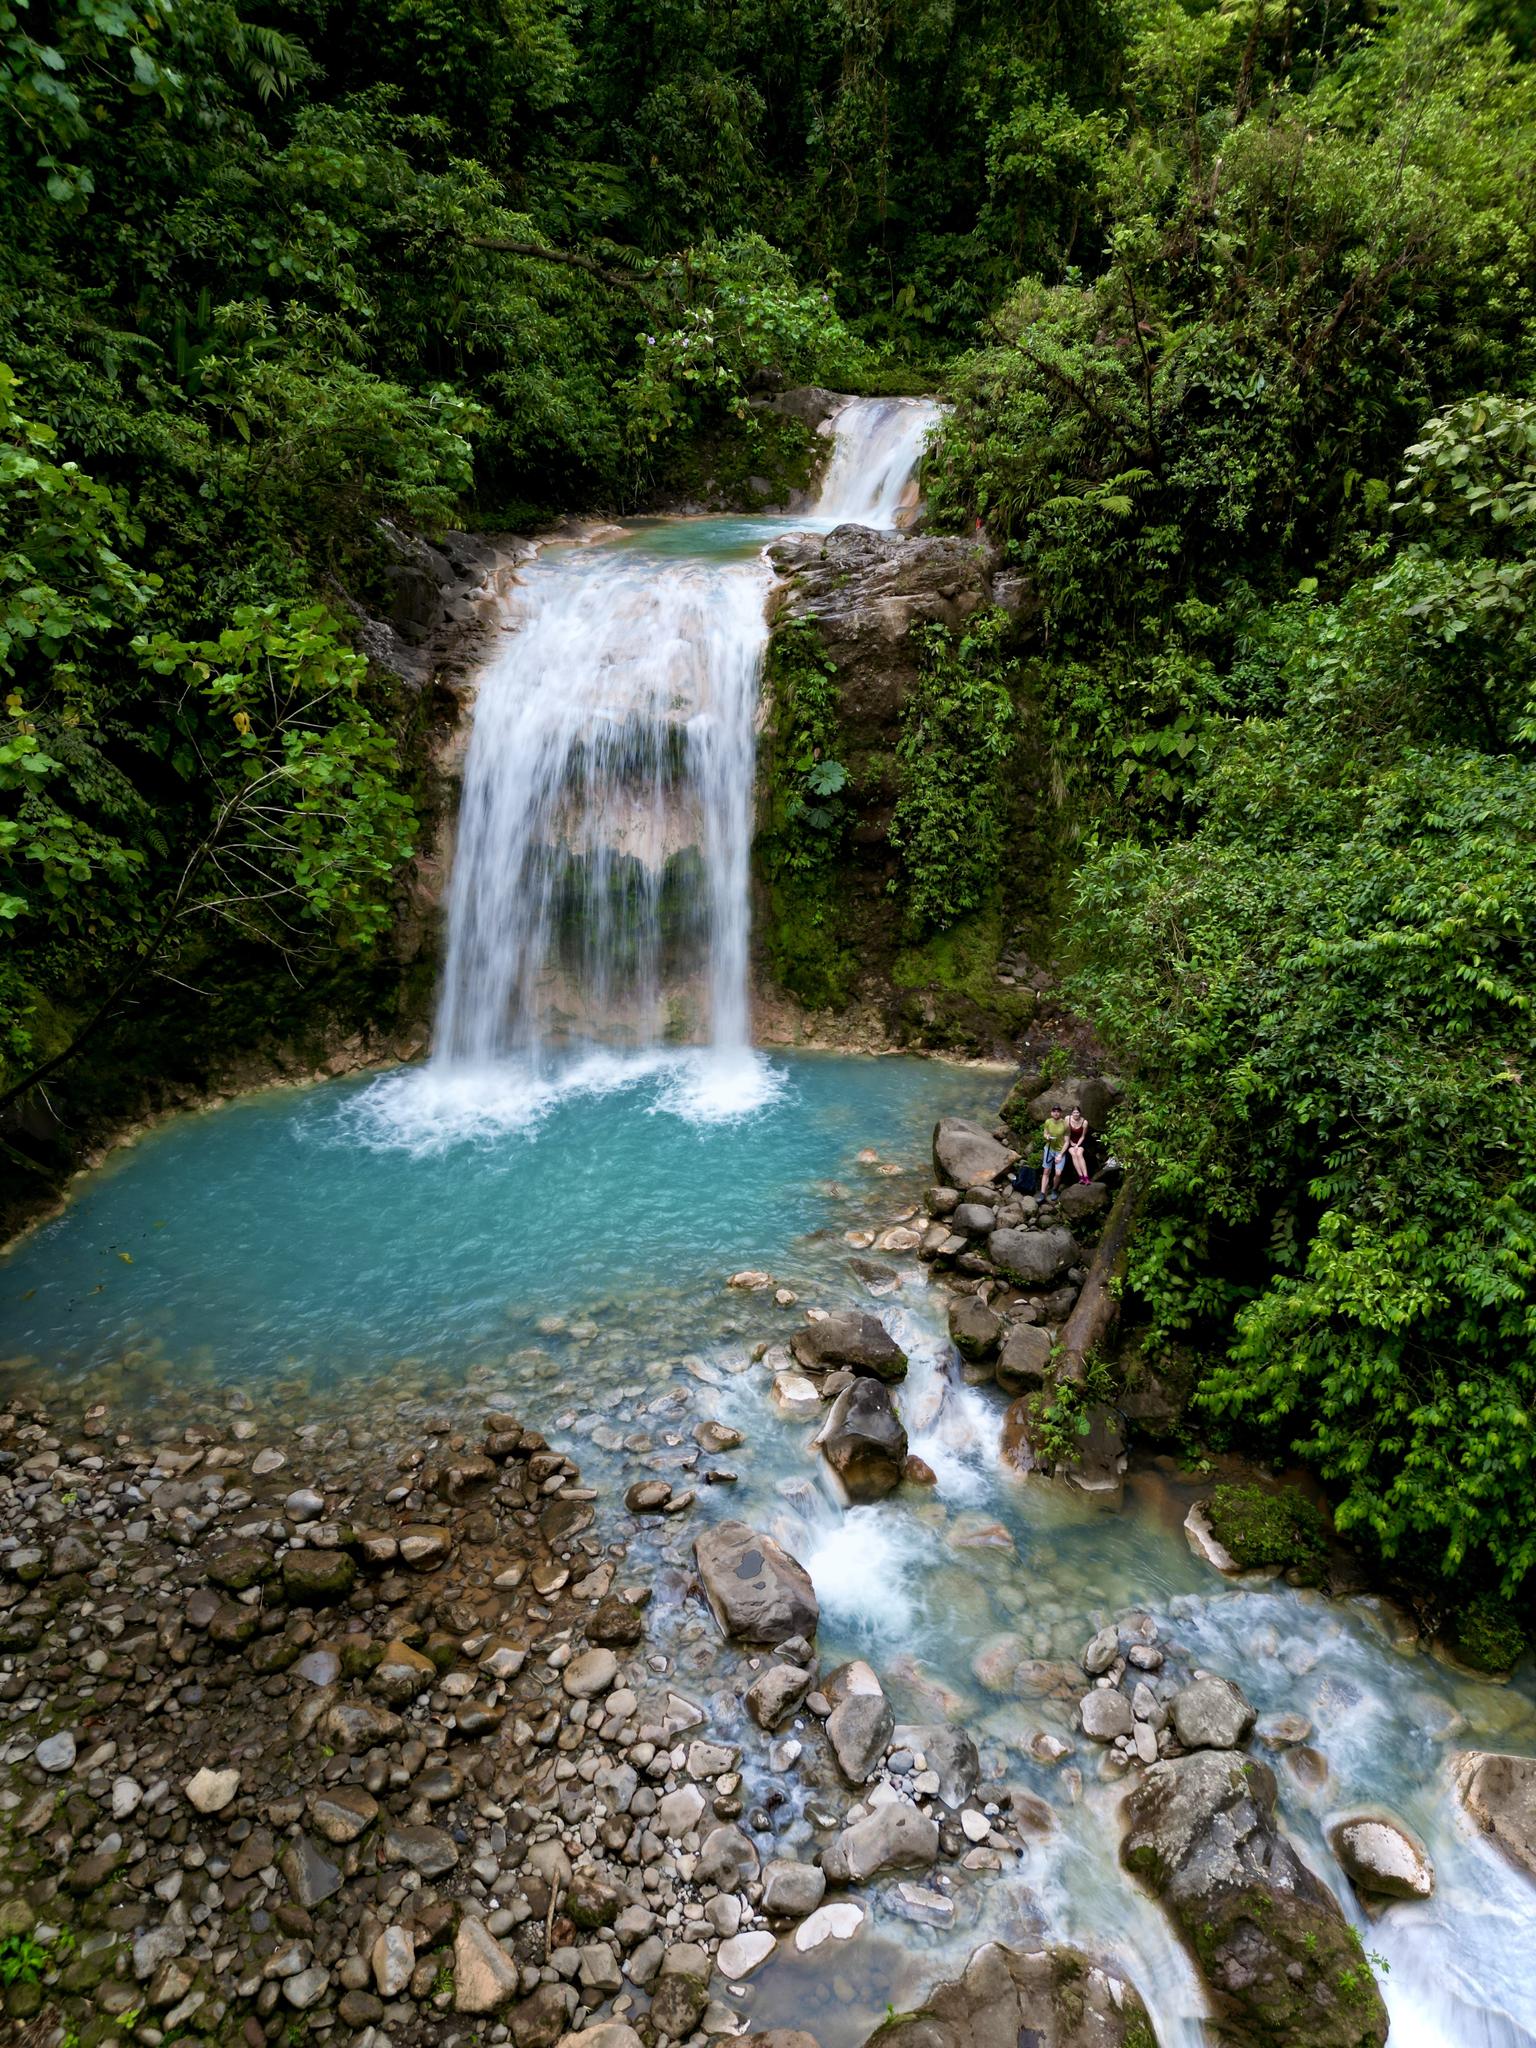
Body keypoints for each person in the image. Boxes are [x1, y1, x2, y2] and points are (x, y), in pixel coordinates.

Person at [1041, 1105, 1069, 1200]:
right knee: (1046, 1171)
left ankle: (1054, 1189)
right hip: (1049, 1149)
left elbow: (1067, 1142)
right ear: (1051, 1113)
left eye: (1058, 1111)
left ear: (1060, 1113)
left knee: (1058, 1173)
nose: (1056, 1113)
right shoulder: (1048, 1122)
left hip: (1060, 1151)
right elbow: (1045, 1133)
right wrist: (1047, 1136)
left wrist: (1060, 1155)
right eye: (1054, 1111)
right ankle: (1042, 1193)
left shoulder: (1065, 1124)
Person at [1064, 1106, 1090, 1186]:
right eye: (1074, 1112)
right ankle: (1081, 1176)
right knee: (1073, 1154)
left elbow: (1083, 1136)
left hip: (1080, 1141)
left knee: (1079, 1154)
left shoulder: (1084, 1122)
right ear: (1072, 1113)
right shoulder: (1067, 1119)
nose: (1076, 1114)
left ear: (1080, 1113)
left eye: (1077, 1112)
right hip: (1069, 1141)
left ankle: (1086, 1177)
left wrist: (1077, 1145)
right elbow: (1066, 1132)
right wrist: (1071, 1143)